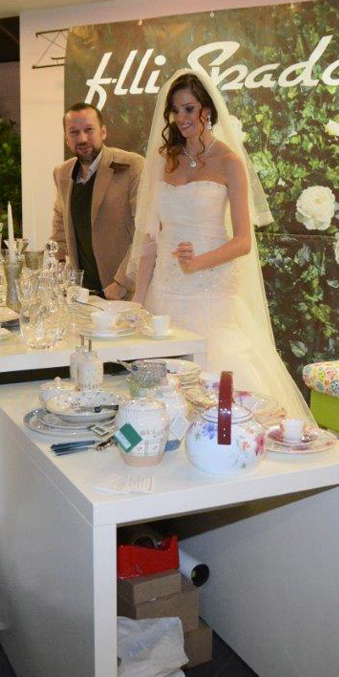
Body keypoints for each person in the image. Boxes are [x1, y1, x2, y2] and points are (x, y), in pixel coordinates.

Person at [130, 70, 310, 420]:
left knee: (216, 382)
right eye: (175, 111)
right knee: (164, 391)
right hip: (164, 292)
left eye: (189, 109)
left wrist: (199, 262)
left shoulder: (229, 162)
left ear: (207, 110)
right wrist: (137, 298)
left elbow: (243, 241)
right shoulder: (164, 160)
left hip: (210, 291)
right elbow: (151, 237)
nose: (181, 118)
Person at [50, 102, 143, 299]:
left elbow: (144, 231)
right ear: (67, 138)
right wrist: (58, 262)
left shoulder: (132, 166)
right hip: (83, 294)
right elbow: (60, 222)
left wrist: (123, 282)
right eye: (74, 132)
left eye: (89, 130)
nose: (82, 138)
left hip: (124, 293)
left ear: (103, 132)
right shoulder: (62, 173)